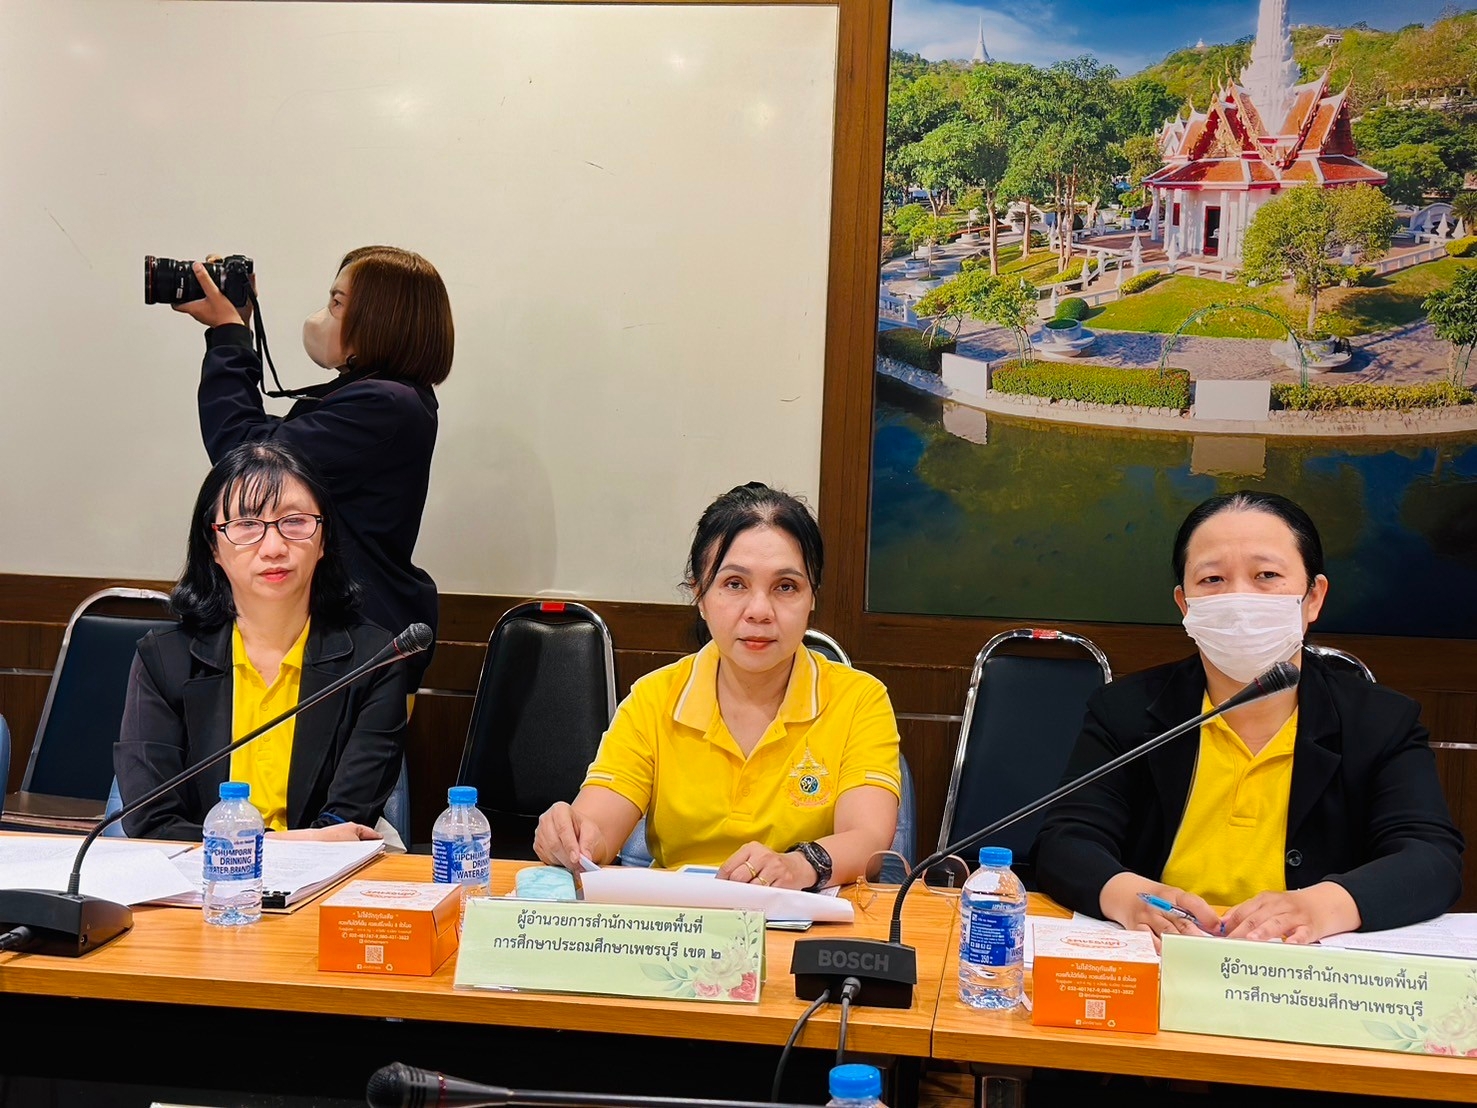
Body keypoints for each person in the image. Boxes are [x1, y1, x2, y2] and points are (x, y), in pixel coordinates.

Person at [1033, 490, 1463, 944]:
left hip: (1305, 967)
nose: (1239, 598)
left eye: (1267, 575)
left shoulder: (1380, 721)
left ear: (1313, 597)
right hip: (1165, 954)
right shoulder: (1124, 710)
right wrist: (1128, 898)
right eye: (1212, 579)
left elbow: (1431, 858)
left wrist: (1321, 907)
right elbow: (1066, 841)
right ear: (1184, 605)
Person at [533, 482, 901, 890]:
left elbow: (868, 839)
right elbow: (598, 829)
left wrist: (800, 864)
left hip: (805, 916)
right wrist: (571, 838)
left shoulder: (859, 699)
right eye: (734, 584)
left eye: (786, 587)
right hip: (680, 921)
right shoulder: (654, 699)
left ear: (812, 597)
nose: (759, 611)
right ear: (700, 595)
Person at [176, 246, 452, 687]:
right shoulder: (378, 398)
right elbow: (263, 443)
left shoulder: (387, 405)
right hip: (339, 631)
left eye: (337, 303)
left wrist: (229, 335)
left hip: (352, 640)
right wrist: (236, 328)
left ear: (378, 320)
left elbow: (247, 460)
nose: (323, 316)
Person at [115, 441, 409, 842]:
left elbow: (345, 825)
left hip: (328, 876)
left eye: (295, 522)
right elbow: (153, 823)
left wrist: (301, 845)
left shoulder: (374, 660)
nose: (273, 548)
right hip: (197, 875)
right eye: (247, 525)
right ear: (213, 546)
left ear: (323, 540)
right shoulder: (164, 659)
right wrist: (281, 844)